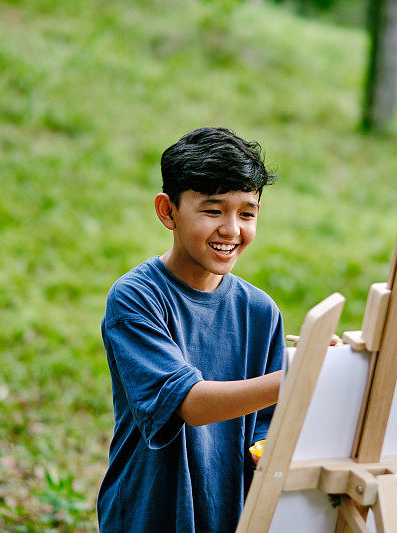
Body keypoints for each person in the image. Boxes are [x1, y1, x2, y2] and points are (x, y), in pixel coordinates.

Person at [97, 127, 284, 533]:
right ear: (168, 212)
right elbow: (189, 404)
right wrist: (297, 378)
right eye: (213, 211)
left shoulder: (261, 311)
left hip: (229, 512)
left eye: (247, 213)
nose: (232, 229)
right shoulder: (136, 298)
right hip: (151, 511)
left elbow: (269, 426)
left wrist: (329, 370)